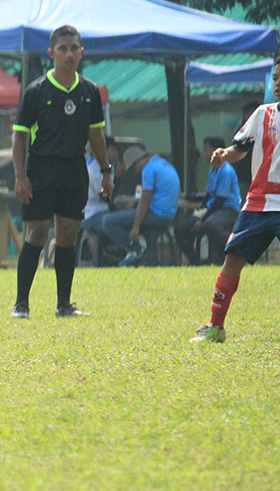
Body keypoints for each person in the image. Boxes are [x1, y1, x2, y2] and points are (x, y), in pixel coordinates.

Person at [191, 53, 280, 343]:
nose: (278, 84)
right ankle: (215, 327)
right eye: (275, 78)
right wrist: (225, 155)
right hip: (259, 203)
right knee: (233, 259)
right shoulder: (263, 113)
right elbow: (240, 147)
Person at [10, 25, 113, 319]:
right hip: (41, 168)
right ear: (51, 53)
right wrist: (20, 175)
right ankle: (21, 304)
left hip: (74, 169)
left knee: (68, 234)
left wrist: (106, 172)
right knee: (37, 234)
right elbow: (18, 135)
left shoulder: (90, 91)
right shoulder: (36, 91)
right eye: (63, 49)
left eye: (74, 49)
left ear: (82, 52)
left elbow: (96, 135)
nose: (69, 54)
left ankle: (64, 305)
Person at [93, 145, 180, 267]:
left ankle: (134, 248)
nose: (136, 171)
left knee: (108, 221)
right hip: (169, 215)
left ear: (137, 162)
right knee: (129, 212)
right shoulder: (164, 164)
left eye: (134, 167)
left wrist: (136, 227)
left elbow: (144, 200)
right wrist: (135, 205)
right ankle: (138, 251)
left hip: (157, 215)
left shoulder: (148, 169)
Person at [174, 136, 240, 266]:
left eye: (206, 149)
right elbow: (209, 196)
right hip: (213, 209)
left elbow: (220, 200)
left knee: (210, 225)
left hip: (228, 210)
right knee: (181, 228)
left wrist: (202, 220)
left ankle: (236, 246)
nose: (203, 153)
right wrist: (187, 196)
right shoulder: (213, 170)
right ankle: (195, 261)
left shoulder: (226, 172)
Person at [80, 136, 120, 265]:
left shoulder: (109, 168)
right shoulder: (94, 170)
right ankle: (114, 253)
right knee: (118, 222)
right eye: (113, 149)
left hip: (104, 212)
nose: (116, 153)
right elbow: (105, 197)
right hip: (92, 215)